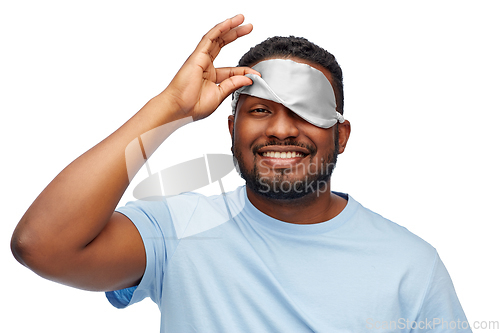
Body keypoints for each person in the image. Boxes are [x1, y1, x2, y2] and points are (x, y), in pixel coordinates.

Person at [11, 14, 471, 332]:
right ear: (231, 129)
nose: (281, 129)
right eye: (261, 110)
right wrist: (169, 109)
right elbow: (42, 246)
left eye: (306, 112)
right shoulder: (176, 233)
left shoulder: (411, 266)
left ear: (342, 135)